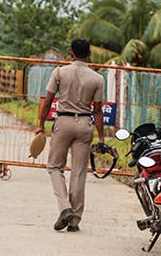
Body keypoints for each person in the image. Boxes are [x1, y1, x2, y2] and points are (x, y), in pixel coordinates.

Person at [34, 38, 105, 232]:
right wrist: (101, 138)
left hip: (63, 122)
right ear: (89, 54)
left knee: (55, 167)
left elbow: (48, 102)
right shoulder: (97, 78)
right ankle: (74, 221)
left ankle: (65, 208)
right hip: (84, 124)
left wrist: (40, 125)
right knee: (79, 172)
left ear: (71, 54)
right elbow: (98, 111)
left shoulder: (59, 72)